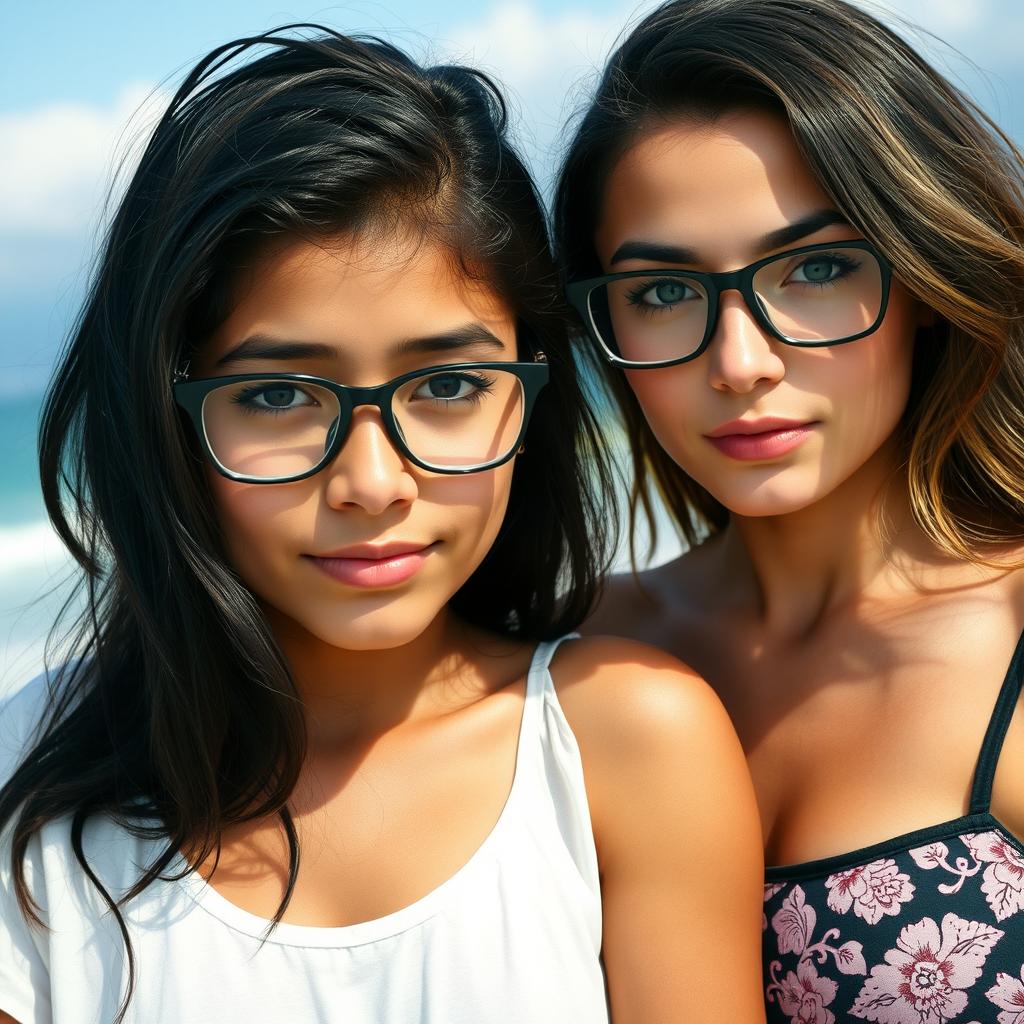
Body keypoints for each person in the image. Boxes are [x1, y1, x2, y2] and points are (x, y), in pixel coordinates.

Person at [0, 27, 765, 1024]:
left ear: (530, 401)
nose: (372, 481)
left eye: (448, 384)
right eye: (277, 396)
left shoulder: (623, 743)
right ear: (168, 417)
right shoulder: (33, 776)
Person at [555, 0, 1024, 1019]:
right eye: (666, 290)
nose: (739, 364)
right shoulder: (569, 653)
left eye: (815, 269)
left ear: (923, 276)